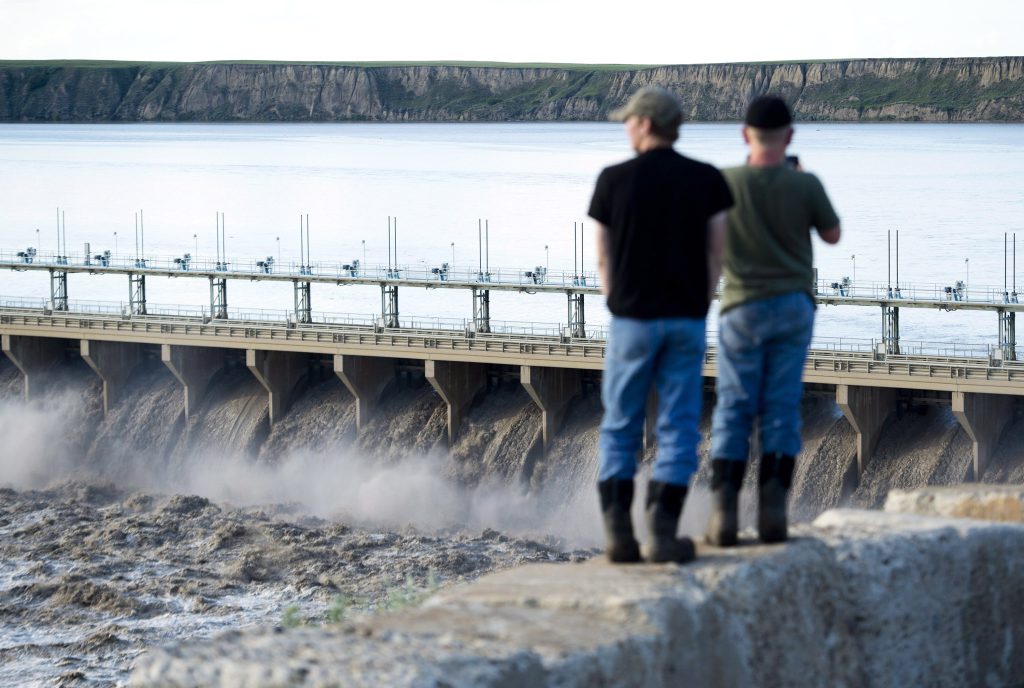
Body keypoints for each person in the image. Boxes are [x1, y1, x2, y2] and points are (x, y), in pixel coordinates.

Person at [589, 86, 732, 563]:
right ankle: (663, 534)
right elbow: (718, 253)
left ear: (646, 124)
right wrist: (701, 300)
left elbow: (603, 255)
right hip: (685, 320)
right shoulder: (707, 179)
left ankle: (618, 537)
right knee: (679, 426)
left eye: (629, 120)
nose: (626, 127)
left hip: (630, 319)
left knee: (620, 423)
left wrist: (616, 300)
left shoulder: (612, 180)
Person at [706, 95, 841, 547]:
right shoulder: (806, 185)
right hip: (792, 307)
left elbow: (706, 239)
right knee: (782, 409)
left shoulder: (725, 181)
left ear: (745, 135)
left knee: (734, 407)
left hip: (741, 306)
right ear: (790, 136)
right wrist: (801, 187)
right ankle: (773, 515)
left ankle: (724, 515)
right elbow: (832, 234)